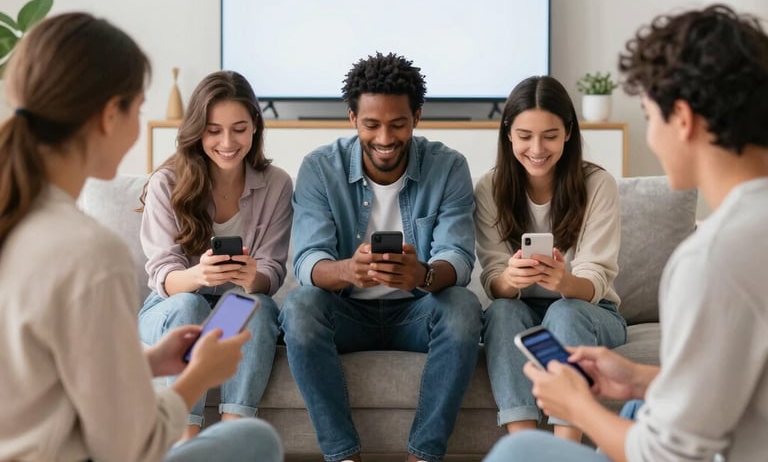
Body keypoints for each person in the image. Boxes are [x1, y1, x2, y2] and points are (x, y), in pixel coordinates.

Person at [482, 3, 768, 462]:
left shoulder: (712, 258)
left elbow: (670, 452)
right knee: (634, 406)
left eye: (649, 117)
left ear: (682, 118)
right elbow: (735, 389)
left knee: (516, 453)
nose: (651, 138)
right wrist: (639, 379)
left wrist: (577, 405)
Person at [0, 12, 282, 461]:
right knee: (259, 442)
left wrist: (148, 364)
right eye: (138, 106)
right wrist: (197, 375)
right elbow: (131, 444)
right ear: (112, 115)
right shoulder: (89, 252)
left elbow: (52, 379)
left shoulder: (18, 222)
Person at [278, 52, 483, 462]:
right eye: (372, 124)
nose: (385, 138)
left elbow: (457, 257)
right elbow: (307, 261)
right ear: (352, 118)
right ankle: (343, 456)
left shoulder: (448, 166)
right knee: (300, 306)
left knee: (463, 306)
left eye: (398, 124)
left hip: (417, 315)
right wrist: (348, 270)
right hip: (346, 315)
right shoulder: (320, 168)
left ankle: (423, 455)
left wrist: (422, 276)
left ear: (417, 117)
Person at [138, 70, 293, 439]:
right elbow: (164, 275)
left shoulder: (276, 184)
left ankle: (230, 441)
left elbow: (271, 272)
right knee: (191, 307)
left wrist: (252, 276)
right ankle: (186, 442)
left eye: (239, 128)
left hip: (231, 306)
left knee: (256, 305)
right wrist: (200, 276)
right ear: (198, 130)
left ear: (255, 126)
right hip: (172, 304)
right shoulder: (168, 182)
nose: (227, 141)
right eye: (214, 130)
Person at [474, 75, 627, 441]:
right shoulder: (489, 189)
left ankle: (564, 450)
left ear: (569, 133)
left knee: (565, 310)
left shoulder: (597, 185)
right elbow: (494, 279)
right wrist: (509, 280)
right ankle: (523, 444)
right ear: (508, 134)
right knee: (501, 311)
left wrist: (565, 281)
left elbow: (596, 279)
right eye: (525, 136)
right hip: (522, 311)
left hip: (592, 312)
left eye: (550, 135)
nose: (537, 148)